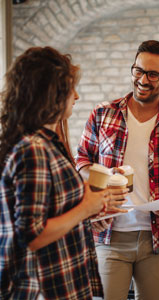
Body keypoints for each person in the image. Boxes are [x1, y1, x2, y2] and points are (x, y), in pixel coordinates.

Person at [76, 40, 159, 300]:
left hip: (158, 238)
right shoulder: (102, 114)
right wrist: (103, 177)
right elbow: (80, 160)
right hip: (108, 233)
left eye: (153, 74)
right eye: (138, 70)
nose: (143, 80)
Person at [0, 46, 128, 300]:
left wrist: (91, 214)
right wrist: (87, 208)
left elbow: (52, 213)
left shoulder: (46, 143)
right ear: (52, 93)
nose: (77, 96)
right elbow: (32, 235)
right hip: (42, 289)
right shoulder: (33, 149)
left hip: (62, 283)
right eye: (71, 88)